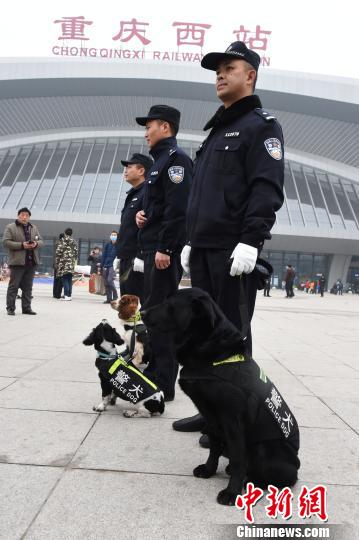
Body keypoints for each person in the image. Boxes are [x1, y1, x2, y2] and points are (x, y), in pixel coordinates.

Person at [174, 41, 284, 433]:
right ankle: (212, 413)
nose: (220, 74)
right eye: (217, 70)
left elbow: (266, 188)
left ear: (250, 75)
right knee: (204, 335)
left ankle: (240, 421)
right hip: (204, 248)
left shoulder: (261, 127)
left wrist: (252, 240)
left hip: (231, 250)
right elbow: (202, 196)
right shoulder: (216, 131)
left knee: (231, 338)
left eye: (229, 68)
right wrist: (191, 239)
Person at [135, 104, 192, 400]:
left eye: (149, 126)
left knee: (161, 317)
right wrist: (142, 216)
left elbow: (178, 210)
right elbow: (159, 206)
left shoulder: (176, 160)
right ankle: (156, 372)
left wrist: (166, 247)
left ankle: (164, 383)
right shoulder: (159, 162)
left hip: (162, 251)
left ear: (165, 127)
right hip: (152, 247)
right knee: (153, 314)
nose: (146, 132)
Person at [116, 153, 153, 303]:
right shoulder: (133, 194)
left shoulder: (148, 193)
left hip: (136, 261)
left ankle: (139, 327)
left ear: (141, 170)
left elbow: (148, 228)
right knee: (127, 303)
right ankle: (132, 327)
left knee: (136, 303)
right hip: (127, 258)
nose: (126, 170)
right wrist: (120, 254)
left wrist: (141, 255)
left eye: (129, 167)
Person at [3, 207, 43, 315]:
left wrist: (36, 244)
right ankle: (10, 308)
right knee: (13, 286)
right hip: (17, 262)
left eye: (27, 215)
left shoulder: (33, 227)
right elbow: (6, 242)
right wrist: (22, 245)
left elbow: (40, 241)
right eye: (22, 215)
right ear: (18, 215)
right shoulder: (11, 227)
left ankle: (26, 308)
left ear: (29, 217)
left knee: (28, 287)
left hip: (31, 262)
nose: (24, 217)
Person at [55, 228, 78, 301]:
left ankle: (66, 295)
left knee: (64, 279)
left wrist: (57, 263)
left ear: (65, 233)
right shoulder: (74, 242)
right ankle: (69, 295)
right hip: (71, 263)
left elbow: (58, 253)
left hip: (63, 263)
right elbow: (76, 253)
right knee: (69, 280)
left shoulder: (63, 241)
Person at [101, 231, 119, 304]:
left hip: (113, 265)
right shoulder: (107, 244)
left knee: (109, 280)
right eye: (112, 235)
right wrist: (102, 265)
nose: (113, 236)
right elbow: (103, 255)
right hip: (106, 265)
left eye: (115, 235)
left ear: (117, 236)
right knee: (106, 283)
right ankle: (109, 299)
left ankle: (115, 296)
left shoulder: (118, 244)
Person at [53, 233, 64, 299]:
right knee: (58, 279)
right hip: (59, 264)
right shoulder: (59, 244)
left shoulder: (57, 243)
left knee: (56, 279)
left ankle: (55, 293)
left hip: (56, 263)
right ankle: (56, 293)